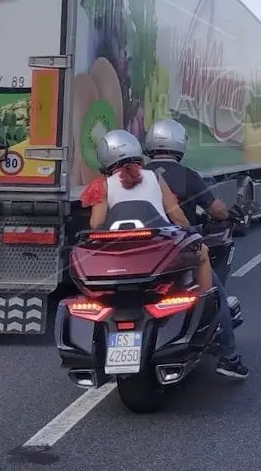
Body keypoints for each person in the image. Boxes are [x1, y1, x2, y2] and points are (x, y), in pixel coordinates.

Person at [143, 118, 250, 380]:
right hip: (177, 250)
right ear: (179, 143)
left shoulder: (139, 175)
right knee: (216, 294)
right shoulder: (187, 176)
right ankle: (229, 356)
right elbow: (215, 209)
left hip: (140, 252)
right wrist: (227, 213)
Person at [79, 129, 212, 292]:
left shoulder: (103, 185)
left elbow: (96, 224)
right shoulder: (155, 177)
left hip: (118, 251)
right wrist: (192, 231)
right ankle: (206, 302)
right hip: (156, 248)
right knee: (203, 253)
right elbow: (179, 219)